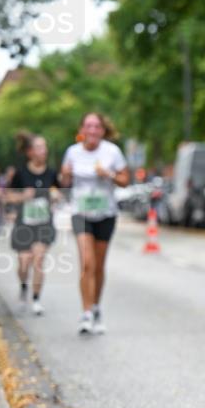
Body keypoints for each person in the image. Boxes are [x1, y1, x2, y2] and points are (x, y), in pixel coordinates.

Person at [60, 112, 129, 334]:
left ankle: (97, 306)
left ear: (102, 130)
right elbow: (64, 183)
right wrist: (65, 176)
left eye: (96, 126)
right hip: (81, 213)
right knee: (87, 263)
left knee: (98, 266)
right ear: (81, 129)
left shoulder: (112, 152)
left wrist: (107, 174)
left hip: (106, 214)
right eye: (88, 126)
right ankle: (86, 312)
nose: (92, 130)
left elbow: (125, 181)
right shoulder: (72, 152)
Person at [7, 131, 60, 315]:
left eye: (44, 147)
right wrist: (23, 196)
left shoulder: (52, 173)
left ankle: (36, 299)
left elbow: (58, 191)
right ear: (30, 152)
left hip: (43, 224)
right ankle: (23, 286)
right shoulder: (20, 173)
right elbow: (9, 196)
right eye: (39, 147)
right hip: (24, 223)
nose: (43, 150)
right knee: (24, 262)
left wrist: (55, 196)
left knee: (39, 260)